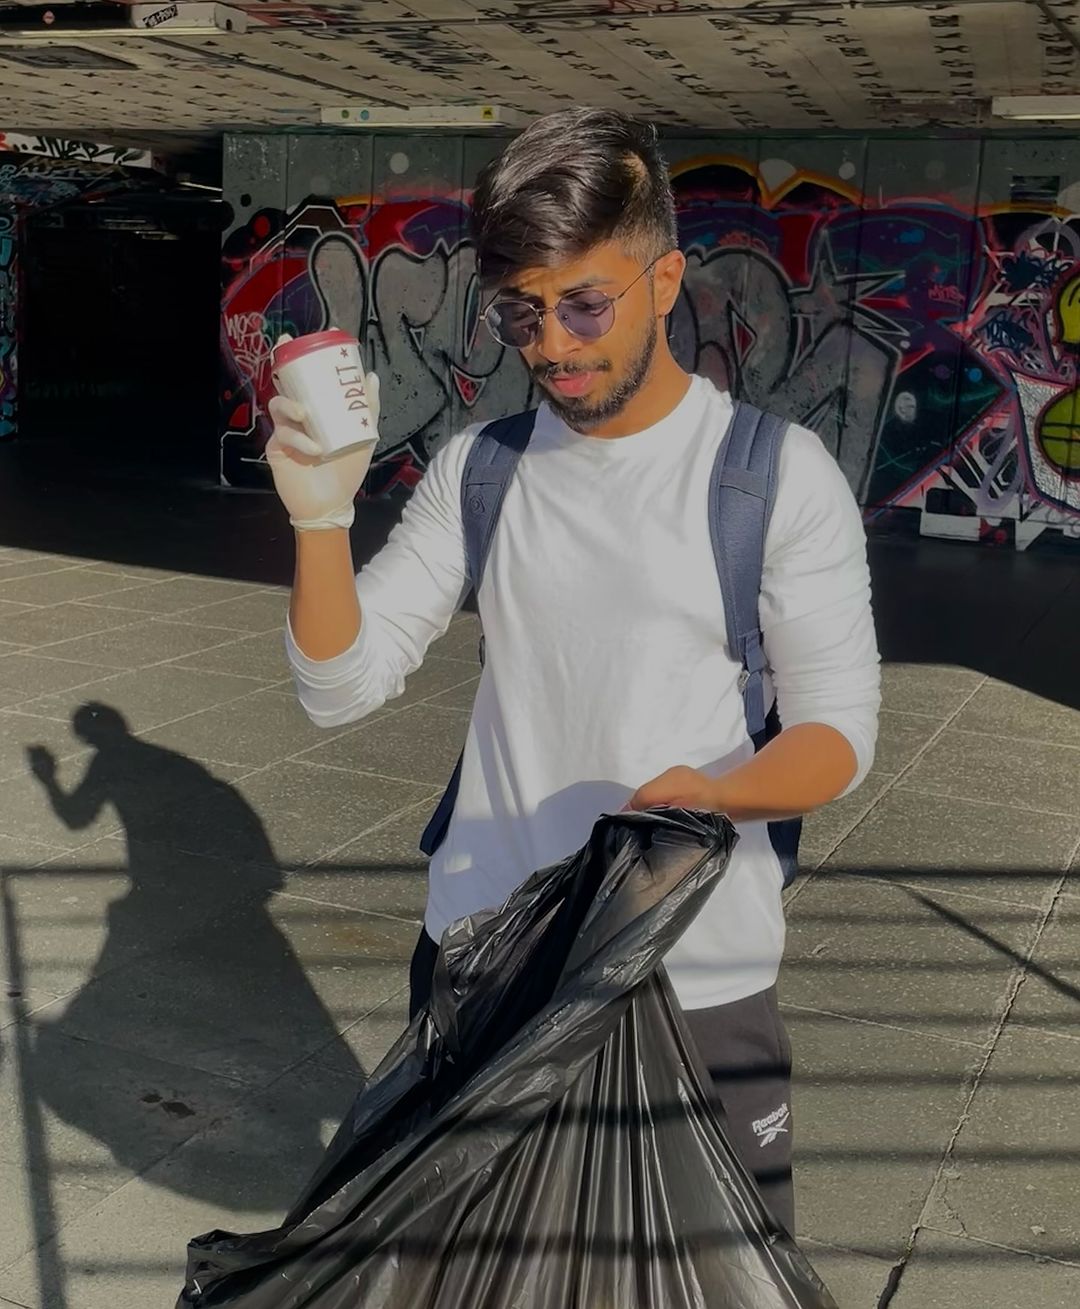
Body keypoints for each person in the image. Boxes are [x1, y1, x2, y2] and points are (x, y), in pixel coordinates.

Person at [266, 107, 880, 1235]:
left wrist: (717, 793)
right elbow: (338, 685)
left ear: (664, 280)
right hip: (483, 964)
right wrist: (320, 517)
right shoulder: (482, 470)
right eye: (521, 312)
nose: (552, 343)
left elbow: (838, 734)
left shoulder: (774, 478)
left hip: (690, 976)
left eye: (584, 302)